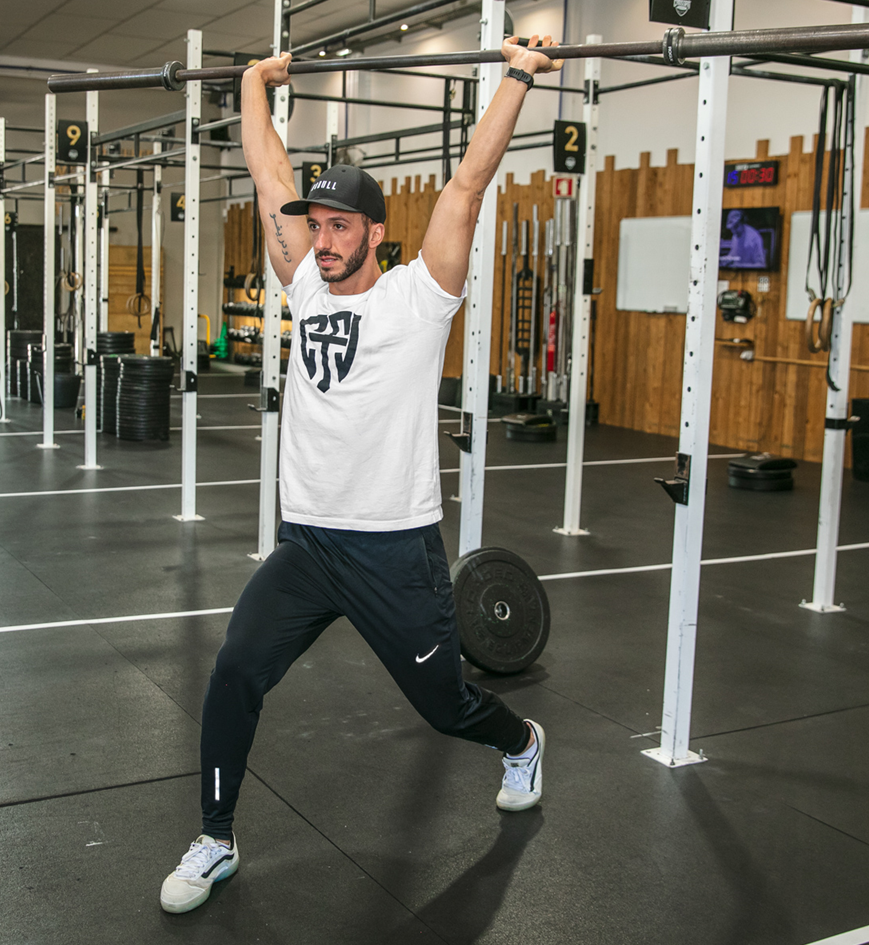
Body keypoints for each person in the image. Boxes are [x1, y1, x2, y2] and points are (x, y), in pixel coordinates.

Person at [160, 35, 563, 915]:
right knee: (235, 668)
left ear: (375, 232)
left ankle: (522, 740)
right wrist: (250, 87)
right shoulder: (302, 282)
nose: (325, 237)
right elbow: (269, 173)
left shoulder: (418, 298)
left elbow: (465, 187)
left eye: (342, 225)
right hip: (307, 545)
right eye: (318, 224)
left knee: (447, 706)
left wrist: (517, 78)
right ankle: (216, 835)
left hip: (392, 548)